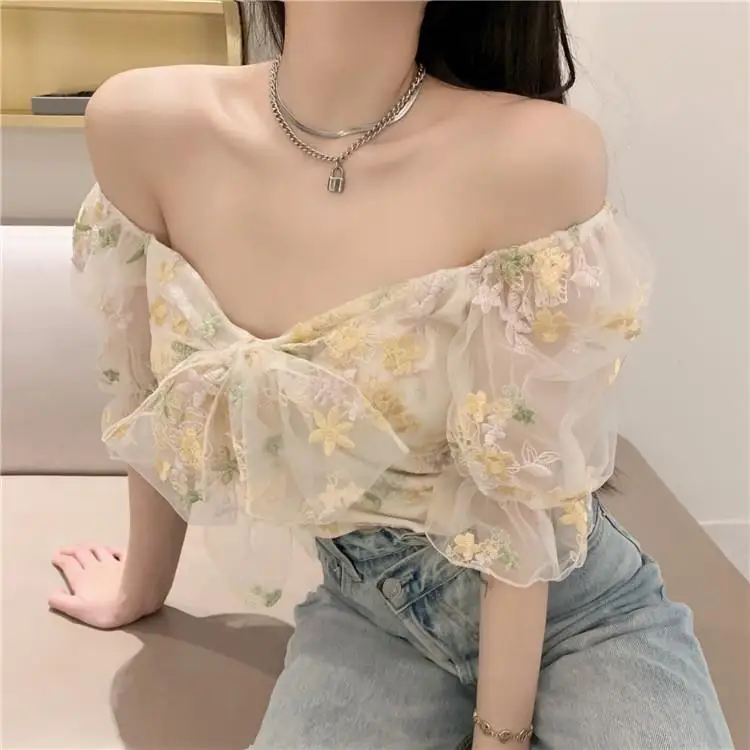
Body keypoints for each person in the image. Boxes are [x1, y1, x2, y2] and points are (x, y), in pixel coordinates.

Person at [50, 2, 733, 748]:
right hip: (369, 611)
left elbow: (519, 497)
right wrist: (140, 588)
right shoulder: (142, 126)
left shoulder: (533, 155)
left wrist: (499, 738)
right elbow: (154, 400)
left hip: (579, 613)